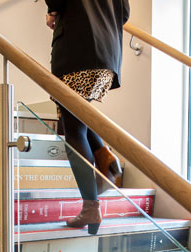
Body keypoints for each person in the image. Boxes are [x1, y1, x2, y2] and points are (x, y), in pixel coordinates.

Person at [45, 0, 130, 235]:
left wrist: (53, 10)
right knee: (74, 117)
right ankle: (106, 160)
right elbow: (124, 13)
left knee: (72, 129)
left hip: (77, 51)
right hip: (107, 54)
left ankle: (91, 207)